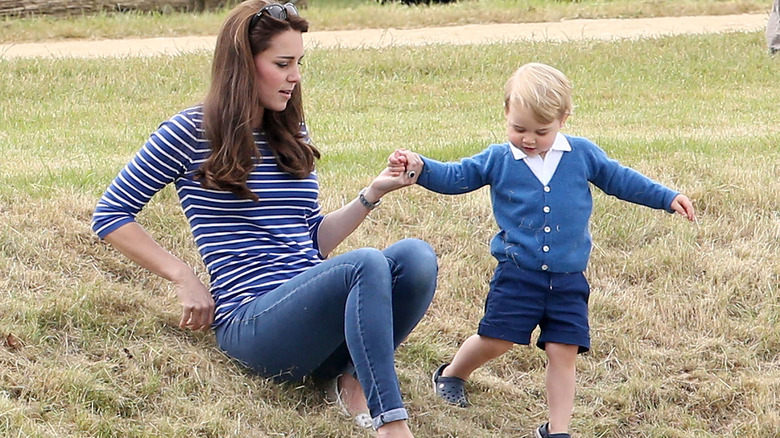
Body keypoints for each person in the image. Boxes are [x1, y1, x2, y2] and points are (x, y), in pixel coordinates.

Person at [90, 1, 436, 437]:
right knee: (365, 262)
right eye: (282, 63)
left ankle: (350, 376)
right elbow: (110, 214)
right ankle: (393, 423)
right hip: (251, 325)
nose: (295, 77)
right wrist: (182, 276)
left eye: (299, 63)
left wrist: (372, 194)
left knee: (416, 256)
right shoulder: (188, 132)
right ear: (243, 65)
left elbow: (313, 242)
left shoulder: (290, 132)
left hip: (308, 317)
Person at [390, 62, 696, 438]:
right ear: (505, 114)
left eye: (541, 131)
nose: (529, 139)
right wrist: (420, 167)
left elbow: (621, 180)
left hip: (568, 278)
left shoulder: (582, 154)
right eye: (519, 129)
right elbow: (457, 176)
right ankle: (453, 373)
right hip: (518, 273)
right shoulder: (498, 159)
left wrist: (667, 197)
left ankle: (557, 430)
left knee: (564, 350)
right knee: (497, 339)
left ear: (564, 118)